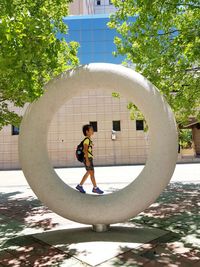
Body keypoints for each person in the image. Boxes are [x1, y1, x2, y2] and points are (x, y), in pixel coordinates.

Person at [76, 124, 104, 194]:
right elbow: (85, 150)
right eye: (91, 129)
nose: (92, 130)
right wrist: (88, 160)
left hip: (88, 158)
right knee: (92, 173)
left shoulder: (88, 140)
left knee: (89, 172)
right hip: (88, 158)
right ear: (87, 131)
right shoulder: (87, 140)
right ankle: (95, 188)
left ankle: (80, 186)